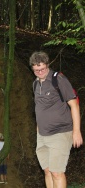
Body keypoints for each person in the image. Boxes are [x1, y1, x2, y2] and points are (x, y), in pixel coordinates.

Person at [30, 51, 83, 188]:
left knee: (57, 172)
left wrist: (76, 131)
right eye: (36, 70)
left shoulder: (58, 79)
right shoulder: (36, 84)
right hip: (42, 135)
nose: (40, 72)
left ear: (48, 65)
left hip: (60, 133)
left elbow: (74, 104)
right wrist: (38, 129)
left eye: (42, 69)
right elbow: (39, 108)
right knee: (47, 171)